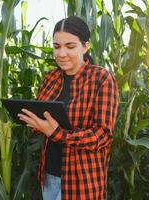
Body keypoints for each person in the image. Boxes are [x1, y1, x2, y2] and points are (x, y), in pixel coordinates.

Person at [18, 16, 119, 200]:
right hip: (49, 176)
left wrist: (58, 133)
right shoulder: (50, 78)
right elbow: (42, 119)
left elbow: (103, 135)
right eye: (57, 47)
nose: (61, 53)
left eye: (70, 46)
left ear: (85, 46)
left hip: (82, 182)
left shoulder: (101, 79)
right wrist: (32, 121)